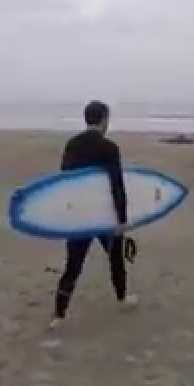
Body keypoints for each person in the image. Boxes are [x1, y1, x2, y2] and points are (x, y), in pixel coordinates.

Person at [50, 100, 137, 329]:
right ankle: (122, 298)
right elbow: (116, 185)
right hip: (104, 215)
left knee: (73, 265)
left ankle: (59, 315)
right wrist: (122, 219)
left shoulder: (72, 145)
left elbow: (65, 181)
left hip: (80, 215)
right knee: (115, 256)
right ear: (104, 120)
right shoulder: (109, 148)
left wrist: (67, 212)